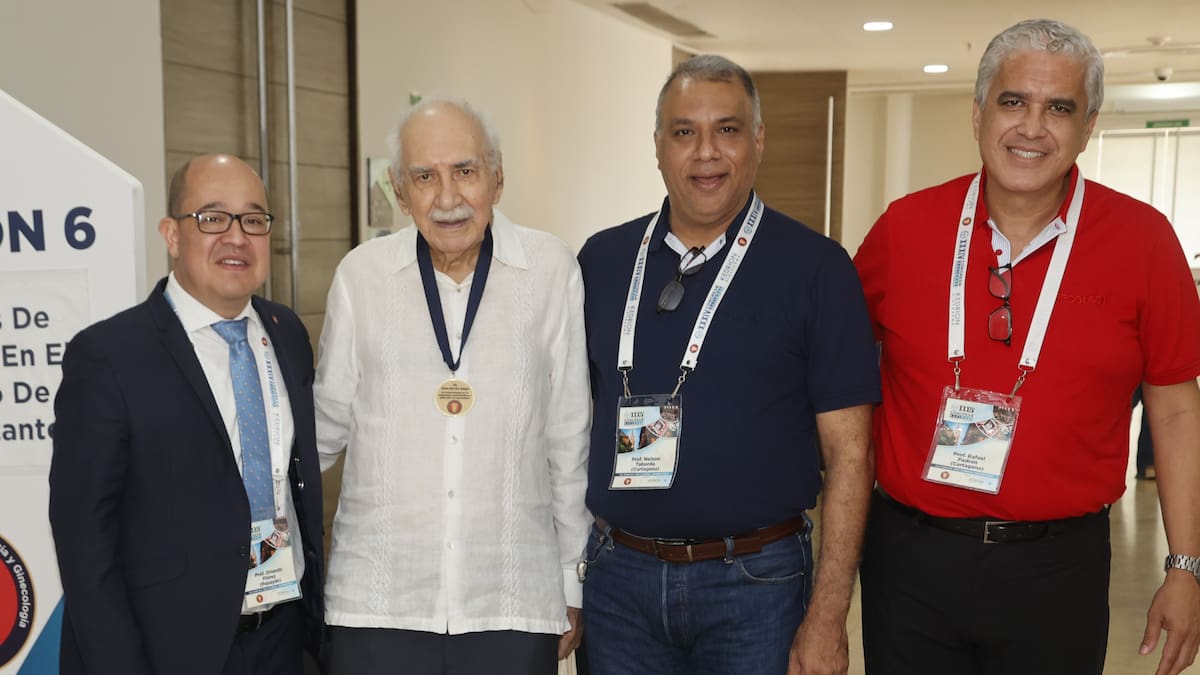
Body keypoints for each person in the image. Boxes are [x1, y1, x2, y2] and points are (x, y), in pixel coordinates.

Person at [854, 19, 1200, 675]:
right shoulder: (906, 229)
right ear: (979, 112)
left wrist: (1185, 566)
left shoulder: (1145, 243)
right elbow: (833, 372)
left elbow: (1178, 411)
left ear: (1088, 125)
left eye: (1058, 107)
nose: (1032, 127)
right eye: (1013, 101)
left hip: (1057, 569)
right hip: (912, 560)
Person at [577, 54, 880, 675]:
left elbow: (852, 455)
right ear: (658, 146)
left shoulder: (817, 270)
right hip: (618, 585)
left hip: (757, 586)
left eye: (728, 129)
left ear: (758, 140)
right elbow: (563, 428)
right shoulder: (600, 262)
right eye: (684, 132)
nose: (706, 152)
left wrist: (827, 616)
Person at [313, 99, 591, 675]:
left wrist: (571, 578)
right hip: (378, 602)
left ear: (497, 176)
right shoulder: (362, 277)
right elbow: (320, 432)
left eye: (465, 171)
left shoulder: (550, 269)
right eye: (424, 176)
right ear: (397, 187)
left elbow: (569, 437)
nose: (446, 197)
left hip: (511, 601)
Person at [49, 154, 325, 675]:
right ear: (172, 235)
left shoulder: (286, 334)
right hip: (168, 650)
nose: (236, 236)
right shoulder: (109, 357)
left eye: (253, 219)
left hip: (284, 639)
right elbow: (86, 547)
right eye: (212, 217)